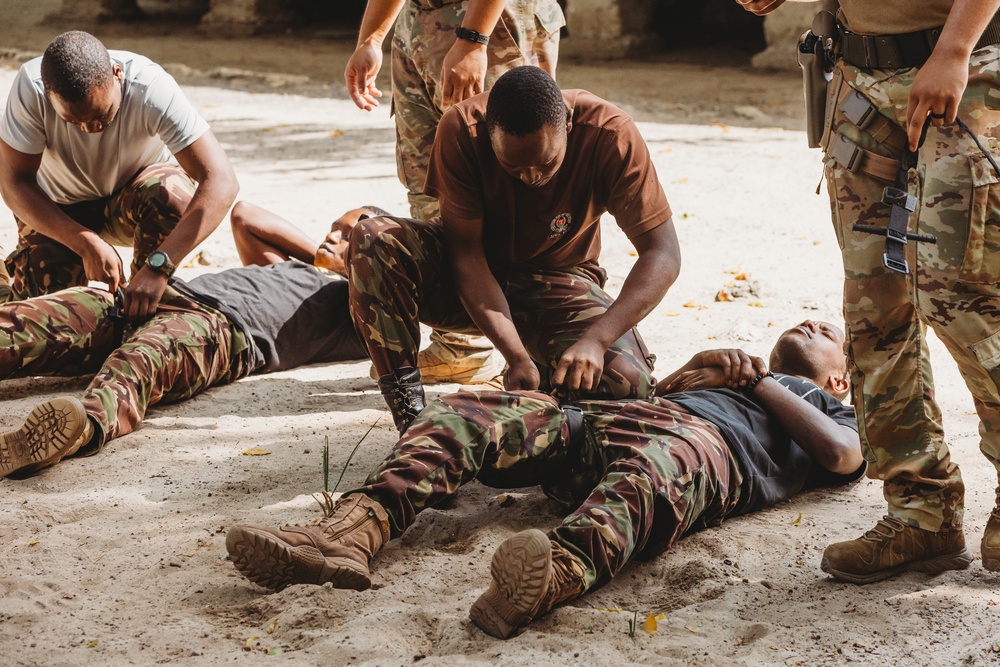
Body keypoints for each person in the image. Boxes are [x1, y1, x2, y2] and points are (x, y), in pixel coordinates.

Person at [225, 319, 865, 639]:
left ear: (841, 376)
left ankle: (552, 572)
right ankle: (355, 528)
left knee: (657, 468)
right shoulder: (731, 368)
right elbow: (655, 399)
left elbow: (842, 458)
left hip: (706, 451)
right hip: (623, 422)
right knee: (473, 413)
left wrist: (758, 384)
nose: (812, 325)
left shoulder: (831, 406)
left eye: (828, 331)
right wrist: (695, 371)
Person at [734, 0, 1000, 582]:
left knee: (961, 299)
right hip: (858, 76)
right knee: (874, 307)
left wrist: (952, 51)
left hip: (968, 64)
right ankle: (920, 511)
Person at [349, 66, 681, 433]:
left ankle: (550, 389)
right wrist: (515, 355)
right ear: (489, 138)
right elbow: (466, 255)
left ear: (567, 126)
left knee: (627, 384)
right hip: (471, 280)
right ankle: (412, 421)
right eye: (513, 166)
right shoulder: (460, 129)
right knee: (374, 238)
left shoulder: (610, 134)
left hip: (560, 279)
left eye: (546, 163)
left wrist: (596, 340)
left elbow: (662, 253)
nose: (531, 177)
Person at [0, 206, 381, 478]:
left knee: (139, 361)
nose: (333, 235)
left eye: (350, 236)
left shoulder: (352, 310)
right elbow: (245, 215)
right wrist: (321, 256)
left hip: (218, 328)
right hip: (150, 296)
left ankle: (81, 427)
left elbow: (399, 320)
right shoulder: (287, 265)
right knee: (29, 320)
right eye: (335, 227)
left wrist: (356, 264)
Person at [345, 0, 564, 387]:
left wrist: (474, 39)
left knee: (505, 170)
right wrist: (372, 37)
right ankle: (461, 344)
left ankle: (533, 346)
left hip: (490, 21)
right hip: (419, 20)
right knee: (430, 177)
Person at [0, 30, 239, 321]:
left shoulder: (151, 87)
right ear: (49, 97)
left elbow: (221, 180)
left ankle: (143, 302)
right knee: (45, 321)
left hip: (130, 199)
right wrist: (85, 243)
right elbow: (15, 184)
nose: (91, 129)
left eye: (101, 115)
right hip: (59, 210)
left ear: (117, 74)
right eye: (73, 122)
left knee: (171, 193)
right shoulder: (31, 89)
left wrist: (158, 267)